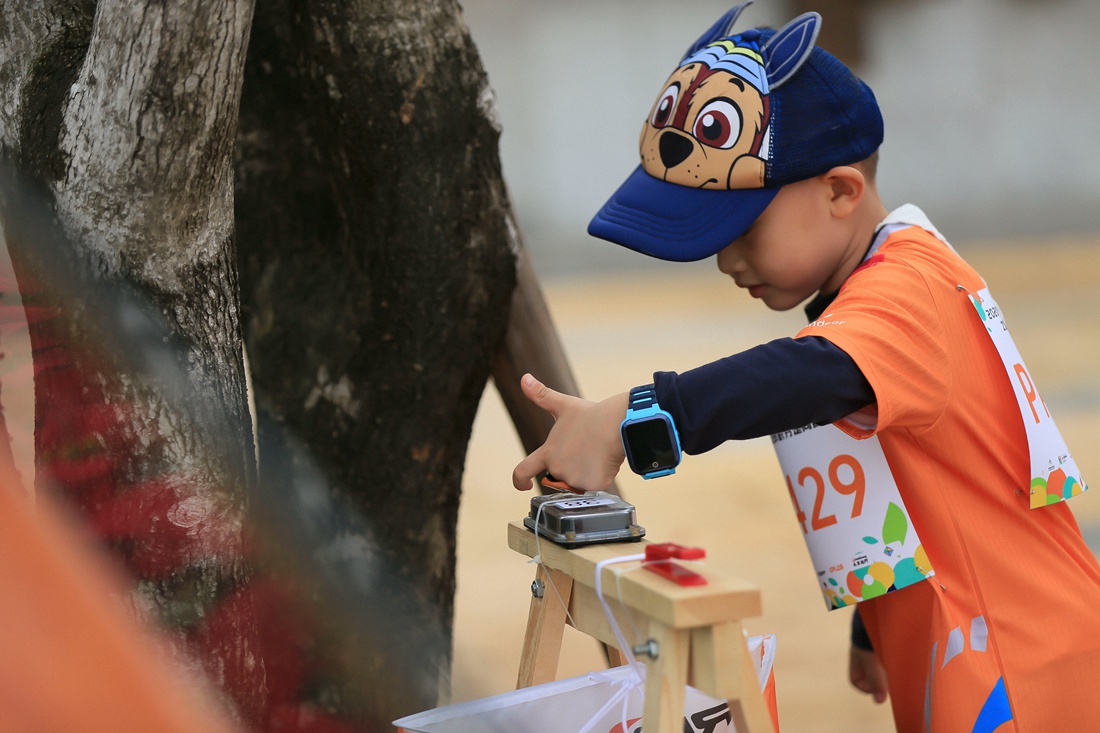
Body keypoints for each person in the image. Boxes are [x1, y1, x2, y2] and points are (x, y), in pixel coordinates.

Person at [510, 4, 1100, 731]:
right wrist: (874, 620)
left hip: (1026, 670)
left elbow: (801, 378)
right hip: (975, 654)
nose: (726, 260)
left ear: (841, 192)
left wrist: (633, 415)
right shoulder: (877, 283)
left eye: (743, 229)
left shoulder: (904, 292)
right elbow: (927, 466)